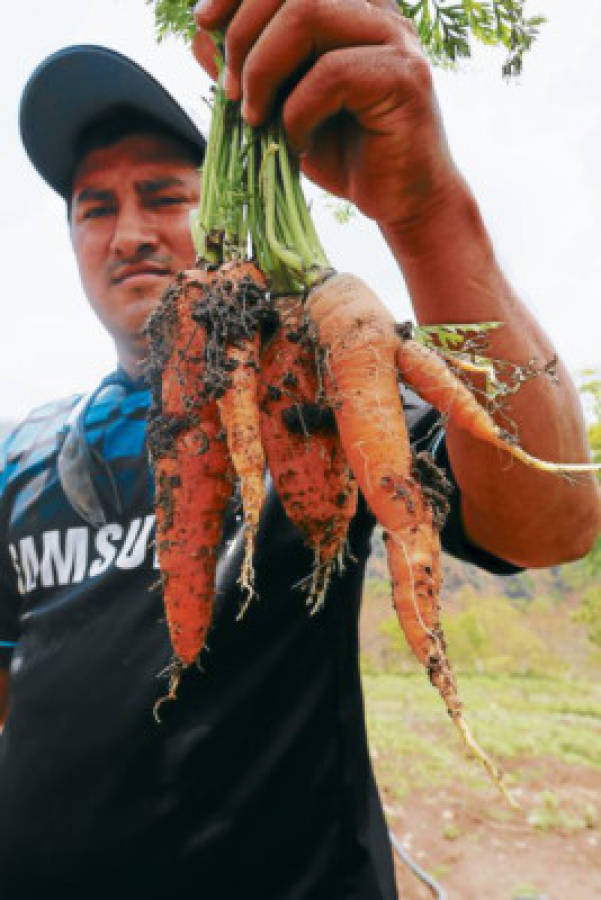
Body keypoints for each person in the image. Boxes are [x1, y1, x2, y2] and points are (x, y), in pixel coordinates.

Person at [1, 3, 599, 898]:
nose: (128, 232)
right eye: (97, 208)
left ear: (223, 212)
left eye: (164, 195)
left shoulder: (309, 404)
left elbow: (548, 526)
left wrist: (426, 204)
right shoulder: (24, 450)